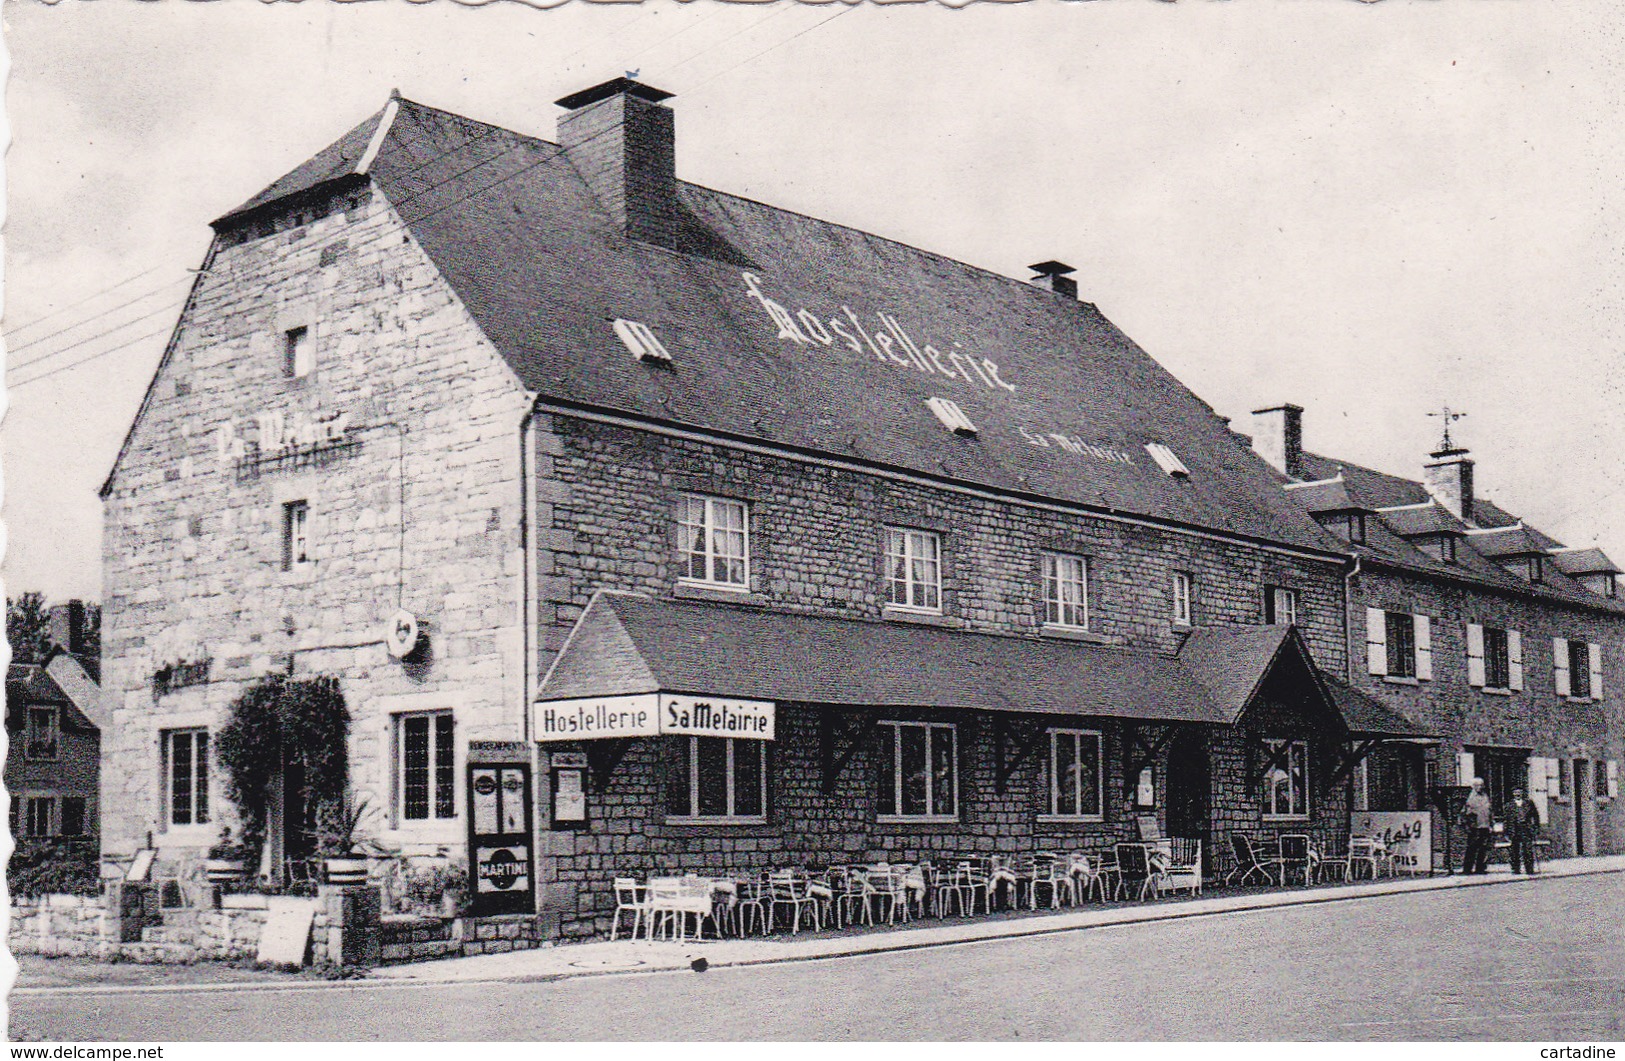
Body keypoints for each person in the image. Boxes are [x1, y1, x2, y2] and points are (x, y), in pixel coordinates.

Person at [1461, 777, 1493, 874]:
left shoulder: (1485, 797)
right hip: (1474, 827)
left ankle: (1480, 868)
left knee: (1483, 848)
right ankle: (1467, 869)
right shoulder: (1469, 797)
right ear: (1473, 786)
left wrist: (1491, 824)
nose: (1479, 787)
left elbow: (1490, 811)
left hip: (1485, 826)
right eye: (1477, 785)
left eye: (1481, 785)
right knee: (1471, 848)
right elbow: (1463, 813)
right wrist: (1467, 824)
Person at [1507, 787, 1542, 874]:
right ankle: (1516, 869)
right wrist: (1507, 831)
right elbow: (1506, 820)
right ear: (1513, 793)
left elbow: (1536, 816)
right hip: (1514, 829)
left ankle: (1529, 869)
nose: (1517, 794)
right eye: (1515, 792)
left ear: (1522, 793)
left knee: (1527, 849)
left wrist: (1535, 827)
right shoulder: (1509, 805)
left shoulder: (1529, 803)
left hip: (1526, 828)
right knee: (1514, 850)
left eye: (1519, 792)